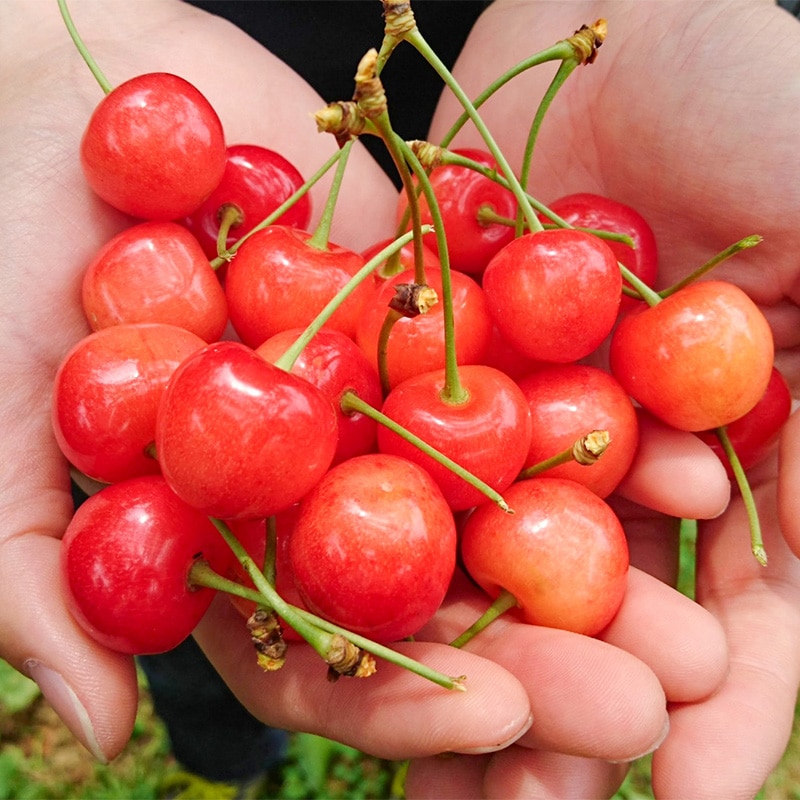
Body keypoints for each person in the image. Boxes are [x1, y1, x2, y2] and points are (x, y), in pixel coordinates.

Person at [1, 1, 799, 798]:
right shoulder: (243, 365)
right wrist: (37, 32)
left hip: (468, 99)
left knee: (240, 592)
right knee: (211, 640)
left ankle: (236, 751)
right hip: (252, 70)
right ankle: (229, 763)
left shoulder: (477, 346)